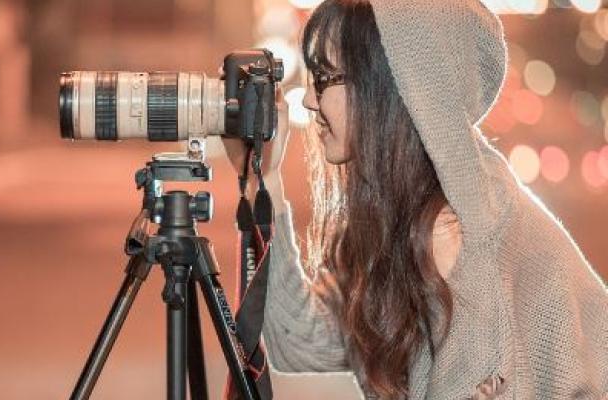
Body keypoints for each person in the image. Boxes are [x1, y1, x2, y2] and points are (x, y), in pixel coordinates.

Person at [222, 0, 608, 398]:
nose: (308, 100)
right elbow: (299, 339)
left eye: (324, 78)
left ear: (395, 88)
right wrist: (263, 175)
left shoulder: (459, 237)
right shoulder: (402, 215)